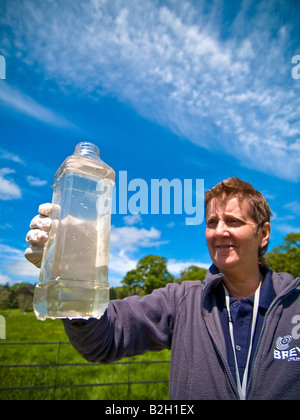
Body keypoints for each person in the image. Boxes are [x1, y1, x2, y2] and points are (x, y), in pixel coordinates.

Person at [25, 177, 300, 400]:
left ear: (263, 234)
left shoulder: (294, 304)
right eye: (212, 222)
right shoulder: (181, 301)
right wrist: (74, 275)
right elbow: (104, 340)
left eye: (234, 221)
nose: (219, 231)